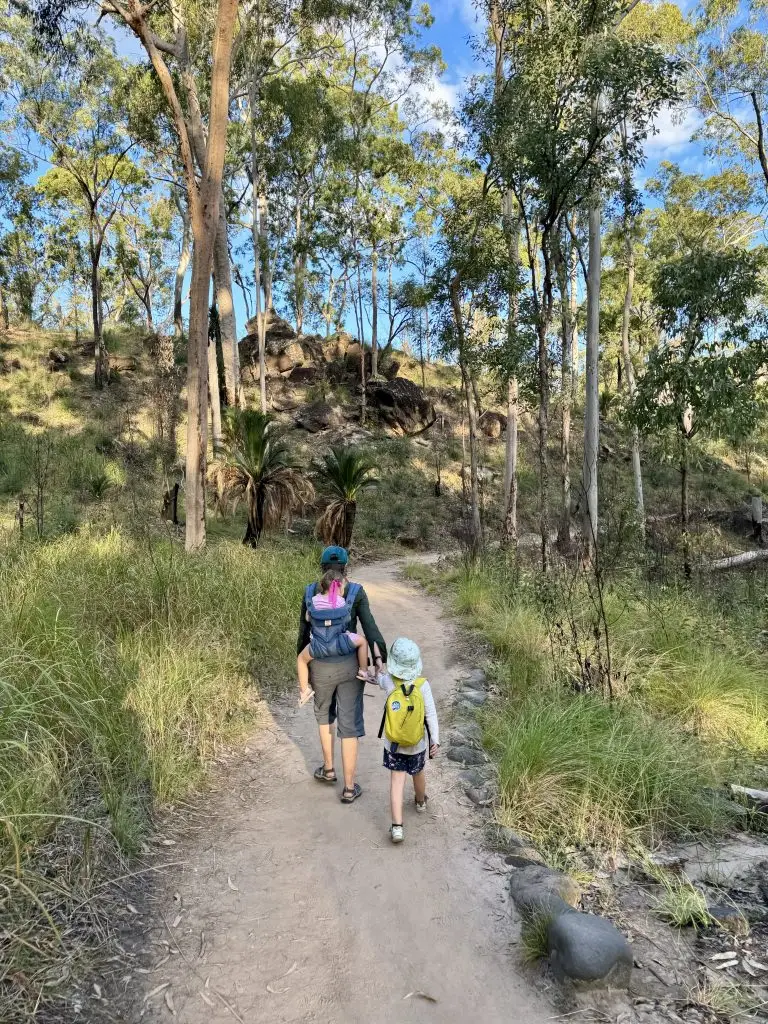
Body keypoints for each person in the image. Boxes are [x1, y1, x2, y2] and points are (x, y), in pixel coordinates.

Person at [297, 546, 386, 804]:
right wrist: (378, 660)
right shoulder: (356, 593)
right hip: (349, 665)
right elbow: (369, 626)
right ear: (346, 567)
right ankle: (348, 788)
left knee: (324, 715)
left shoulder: (310, 592)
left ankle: (328, 769)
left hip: (318, 663)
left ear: (322, 567)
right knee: (349, 725)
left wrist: (304, 664)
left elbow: (303, 631)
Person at [376, 636, 440, 844]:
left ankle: (397, 827)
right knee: (418, 773)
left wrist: (375, 669)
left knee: (397, 781)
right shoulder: (423, 685)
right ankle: (420, 801)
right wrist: (435, 741)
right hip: (417, 743)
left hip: (394, 745)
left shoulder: (389, 682)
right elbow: (430, 715)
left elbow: (378, 678)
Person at [297, 568, 370, 703]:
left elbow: (308, 618)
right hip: (338, 642)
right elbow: (346, 619)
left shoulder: (313, 601)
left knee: (301, 659)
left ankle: (304, 690)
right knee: (362, 641)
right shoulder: (341, 602)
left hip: (318, 645)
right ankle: (363, 671)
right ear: (340, 586)